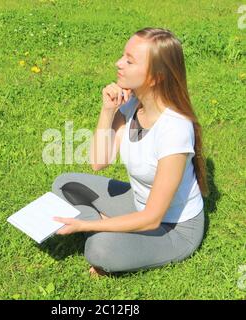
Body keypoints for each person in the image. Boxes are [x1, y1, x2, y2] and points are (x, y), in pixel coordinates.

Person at [51, 27, 209, 277]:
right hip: (137, 202)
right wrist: (108, 110)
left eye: (129, 60)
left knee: (99, 249)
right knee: (65, 184)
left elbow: (152, 218)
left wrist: (85, 225)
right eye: (123, 56)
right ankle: (112, 228)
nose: (118, 63)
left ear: (155, 77)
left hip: (172, 228)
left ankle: (106, 233)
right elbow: (98, 162)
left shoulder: (175, 129)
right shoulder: (133, 104)